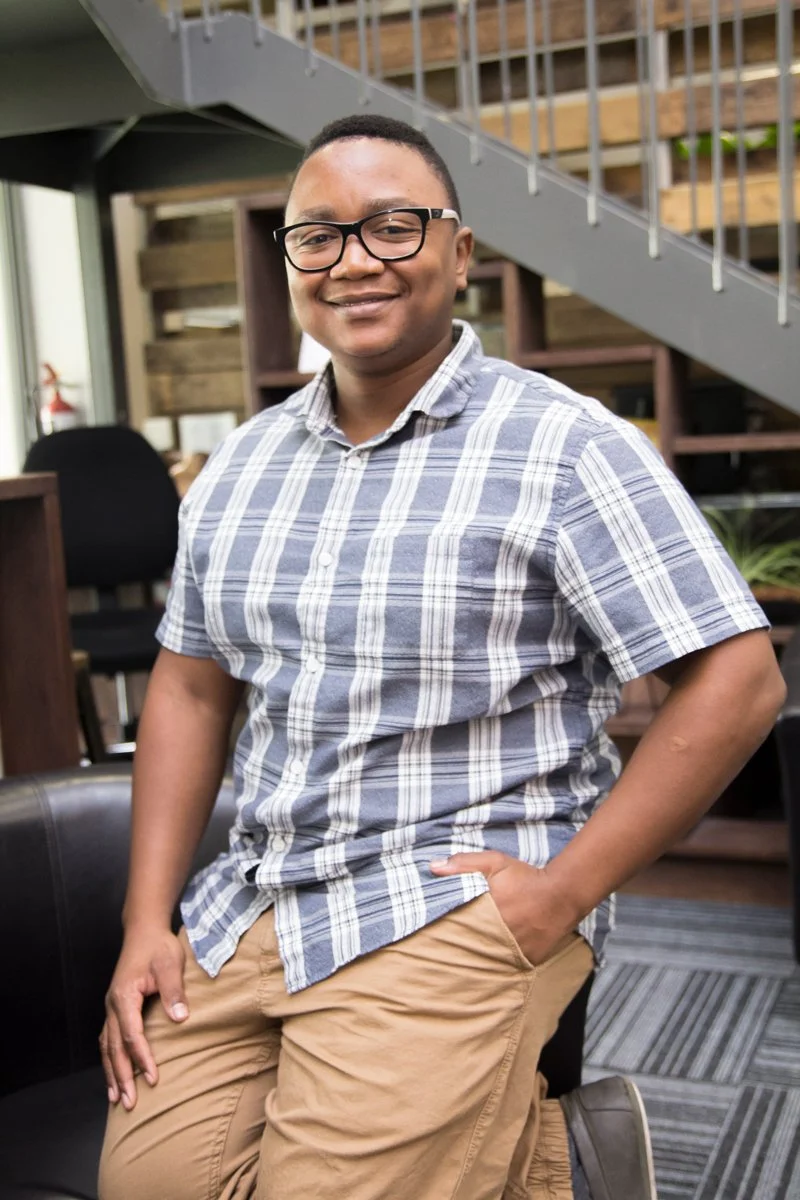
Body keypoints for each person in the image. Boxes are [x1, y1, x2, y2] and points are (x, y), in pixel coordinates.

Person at [98, 114, 784, 1200]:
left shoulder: (567, 445)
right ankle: (558, 1160)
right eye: (318, 235)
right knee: (149, 1189)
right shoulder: (238, 466)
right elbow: (187, 688)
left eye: (392, 226)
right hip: (256, 901)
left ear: (458, 253)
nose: (353, 260)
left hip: (452, 900)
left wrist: (558, 896)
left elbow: (739, 681)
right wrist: (149, 921)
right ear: (290, 263)